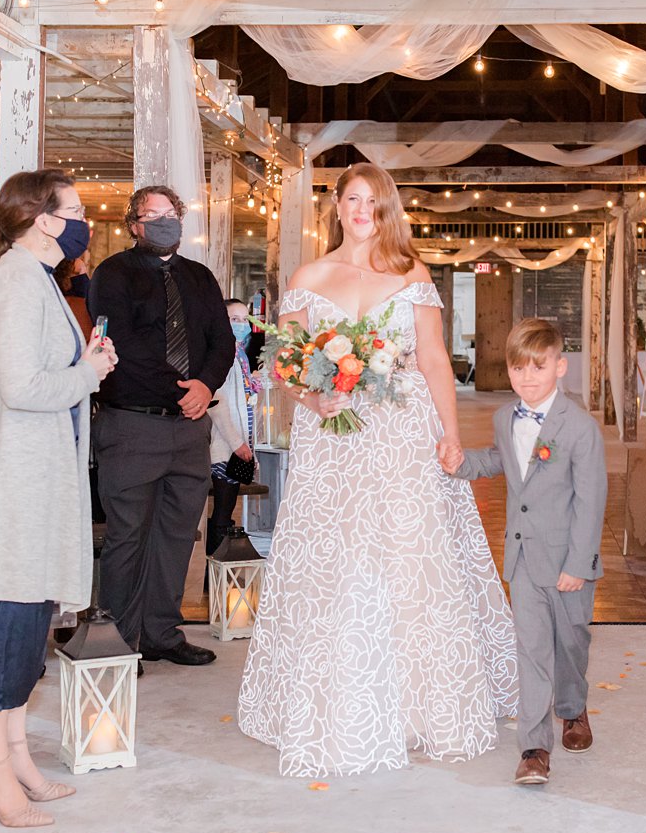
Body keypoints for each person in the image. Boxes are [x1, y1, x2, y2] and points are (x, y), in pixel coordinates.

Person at [237, 162, 517, 777]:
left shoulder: (410, 273)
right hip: (334, 439)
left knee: (410, 558)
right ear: (336, 206)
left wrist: (450, 434)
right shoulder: (309, 277)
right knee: (337, 561)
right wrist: (313, 397)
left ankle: (421, 707)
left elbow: (436, 359)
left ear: (387, 208)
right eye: (353, 199)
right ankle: (336, 704)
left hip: (402, 438)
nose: (363, 209)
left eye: (374, 200)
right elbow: (284, 362)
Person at [0, 170, 115, 829]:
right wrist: (86, 374)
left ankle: (14, 758)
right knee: (3, 630)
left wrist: (82, 358)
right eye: (76, 210)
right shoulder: (13, 279)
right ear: (43, 219)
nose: (85, 220)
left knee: (27, 626)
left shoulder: (35, 279)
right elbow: (22, 386)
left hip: (33, 480)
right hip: (12, 484)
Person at [446, 318, 605, 786]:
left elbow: (591, 499)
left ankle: (574, 709)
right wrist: (461, 463)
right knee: (532, 650)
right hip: (521, 557)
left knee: (571, 645)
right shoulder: (503, 419)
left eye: (538, 367)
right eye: (518, 368)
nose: (527, 377)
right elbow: (501, 461)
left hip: (567, 560)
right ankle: (534, 749)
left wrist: (578, 563)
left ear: (560, 366)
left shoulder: (579, 427)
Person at [87, 185, 231, 666]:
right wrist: (182, 390)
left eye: (172, 213)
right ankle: (119, 642)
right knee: (128, 535)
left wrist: (206, 387)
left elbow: (222, 342)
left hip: (190, 429)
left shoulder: (199, 277)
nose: (166, 221)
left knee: (176, 533)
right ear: (134, 224)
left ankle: (161, 633)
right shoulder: (112, 274)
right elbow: (123, 347)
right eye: (154, 214)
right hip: (133, 424)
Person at [206, 298, 258, 554]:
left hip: (238, 443)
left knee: (225, 510)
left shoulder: (240, 355)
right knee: (223, 512)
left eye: (244, 319)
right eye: (233, 319)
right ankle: (214, 575)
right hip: (227, 445)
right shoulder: (221, 354)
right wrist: (237, 442)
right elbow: (217, 401)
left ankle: (217, 574)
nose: (241, 324)